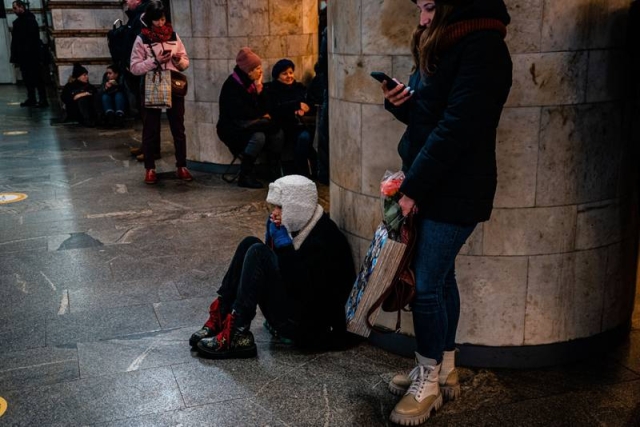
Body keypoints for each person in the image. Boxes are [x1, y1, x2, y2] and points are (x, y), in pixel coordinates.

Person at [378, 0, 512, 425]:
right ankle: (444, 367)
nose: (421, 18)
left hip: (455, 188)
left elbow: (457, 128)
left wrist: (412, 189)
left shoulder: (484, 47)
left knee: (427, 286)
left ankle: (429, 383)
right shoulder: (445, 41)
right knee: (441, 278)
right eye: (419, 8)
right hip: (437, 183)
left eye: (430, 7)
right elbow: (431, 116)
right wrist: (401, 103)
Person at [190, 174, 356, 359]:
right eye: (275, 207)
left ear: (298, 207)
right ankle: (222, 316)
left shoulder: (325, 240)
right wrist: (274, 243)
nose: (274, 213)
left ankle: (238, 333)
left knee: (258, 253)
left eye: (281, 207)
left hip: (310, 326)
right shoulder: (303, 224)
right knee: (250, 243)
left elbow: (303, 291)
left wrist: (283, 248)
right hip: (297, 308)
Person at [130, 0, 192, 185]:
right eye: (156, 20)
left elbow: (185, 61)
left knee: (178, 128)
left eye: (163, 19)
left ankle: (182, 165)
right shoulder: (142, 38)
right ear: (150, 20)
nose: (160, 24)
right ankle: (150, 169)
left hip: (173, 85)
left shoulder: (174, 36)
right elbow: (134, 67)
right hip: (152, 85)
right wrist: (155, 61)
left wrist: (178, 61)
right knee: (151, 129)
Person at [217, 47, 284, 189]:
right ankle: (245, 175)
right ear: (249, 71)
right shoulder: (232, 86)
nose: (261, 72)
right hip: (232, 129)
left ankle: (272, 168)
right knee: (259, 136)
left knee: (277, 132)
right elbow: (241, 113)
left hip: (249, 123)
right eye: (258, 68)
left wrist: (260, 89)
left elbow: (266, 108)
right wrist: (261, 115)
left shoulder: (252, 85)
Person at [265, 59, 317, 178]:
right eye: (284, 74)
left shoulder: (299, 87)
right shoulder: (273, 90)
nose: (289, 76)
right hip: (282, 127)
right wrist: (295, 106)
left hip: (300, 125)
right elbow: (275, 109)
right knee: (303, 138)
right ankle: (301, 172)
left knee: (306, 137)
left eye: (290, 72)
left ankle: (304, 172)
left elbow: (310, 103)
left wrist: (306, 108)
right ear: (277, 76)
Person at [10, 0, 48, 108]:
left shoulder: (30, 20)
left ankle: (42, 99)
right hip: (24, 57)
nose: (14, 10)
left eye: (15, 8)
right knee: (27, 79)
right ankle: (32, 99)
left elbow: (32, 40)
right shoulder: (19, 22)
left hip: (32, 56)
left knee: (37, 78)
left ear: (21, 7)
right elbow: (16, 41)